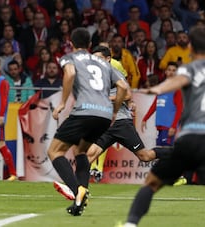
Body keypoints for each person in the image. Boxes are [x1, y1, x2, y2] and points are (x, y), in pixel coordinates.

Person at [54, 46, 174, 199]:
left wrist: (106, 99)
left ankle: (178, 153)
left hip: (121, 123)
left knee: (145, 156)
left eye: (99, 57)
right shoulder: (95, 76)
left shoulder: (113, 71)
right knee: (88, 155)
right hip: (105, 124)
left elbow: (127, 94)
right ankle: (79, 191)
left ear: (108, 59)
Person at [119, 25, 205, 227]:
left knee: (151, 184)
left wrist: (156, 89)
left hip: (190, 139)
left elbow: (178, 81)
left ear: (190, 47)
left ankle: (131, 224)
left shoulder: (189, 69)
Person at [47, 27, 128, 216]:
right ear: (90, 45)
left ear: (71, 43)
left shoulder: (70, 58)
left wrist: (62, 103)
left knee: (55, 151)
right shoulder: (104, 63)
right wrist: (115, 111)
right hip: (104, 115)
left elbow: (70, 74)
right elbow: (123, 86)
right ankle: (79, 203)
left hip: (84, 111)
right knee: (80, 151)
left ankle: (78, 191)